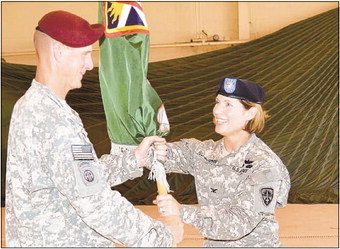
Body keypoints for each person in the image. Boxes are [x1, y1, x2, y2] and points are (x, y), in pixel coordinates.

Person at [5, 10, 183, 247]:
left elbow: (77, 177)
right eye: (85, 54)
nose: (90, 65)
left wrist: (133, 159)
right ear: (59, 52)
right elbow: (96, 204)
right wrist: (163, 235)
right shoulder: (52, 120)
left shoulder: (36, 107)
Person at [154, 77, 291, 247]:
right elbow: (155, 156)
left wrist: (181, 211)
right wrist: (153, 148)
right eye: (217, 102)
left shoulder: (266, 166)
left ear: (250, 113)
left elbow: (240, 223)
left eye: (228, 105)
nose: (217, 111)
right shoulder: (204, 152)